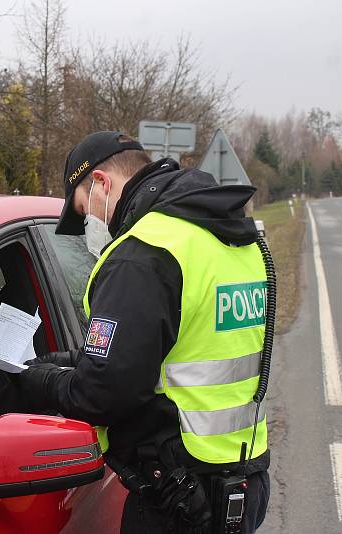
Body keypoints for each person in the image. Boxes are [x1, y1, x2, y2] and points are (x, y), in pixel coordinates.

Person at [20, 131, 271, 533]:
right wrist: (71, 360)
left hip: (180, 496)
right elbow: (184, 345)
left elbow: (102, 395)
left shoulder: (144, 253)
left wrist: (41, 382)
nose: (89, 226)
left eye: (85, 211)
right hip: (246, 478)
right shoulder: (224, 234)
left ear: (101, 183)